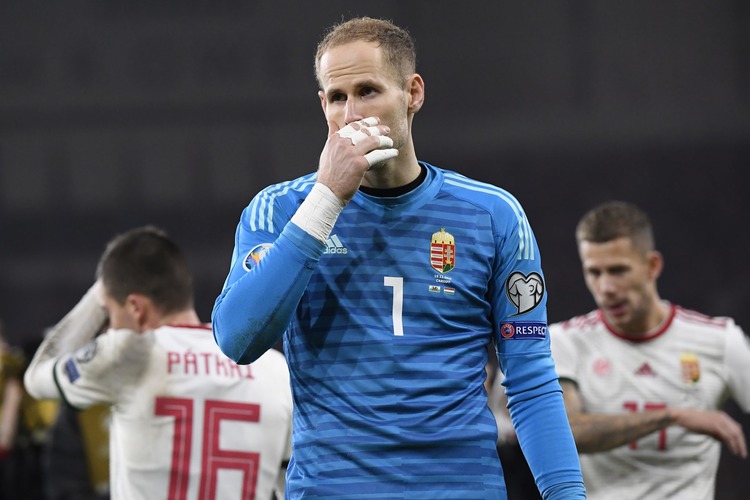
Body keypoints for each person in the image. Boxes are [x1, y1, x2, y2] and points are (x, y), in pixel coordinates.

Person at [212, 16, 585, 499]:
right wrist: (327, 199)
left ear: (413, 93)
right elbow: (237, 340)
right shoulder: (281, 210)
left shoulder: (493, 215)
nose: (351, 115)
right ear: (323, 105)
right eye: (337, 97)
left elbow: (531, 382)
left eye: (368, 91)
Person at [24, 226, 293, 500]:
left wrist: (102, 290)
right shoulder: (274, 369)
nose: (109, 327)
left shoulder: (126, 355)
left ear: (135, 308)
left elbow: (37, 376)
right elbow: (294, 484)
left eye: (109, 313)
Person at [549, 200, 750, 500]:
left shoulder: (720, 341)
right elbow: (567, 433)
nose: (605, 287)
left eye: (618, 270)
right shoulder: (565, 342)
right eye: (594, 272)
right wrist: (672, 415)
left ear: (652, 266)